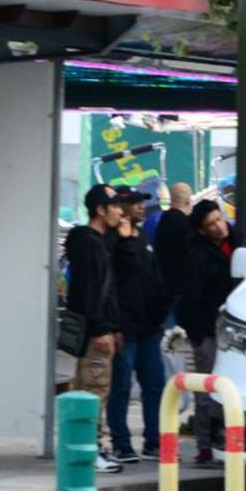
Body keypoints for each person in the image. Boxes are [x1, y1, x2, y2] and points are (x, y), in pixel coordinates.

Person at [107, 189, 171, 462]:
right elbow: (114, 282)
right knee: (120, 387)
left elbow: (153, 278)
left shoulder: (143, 237)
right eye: (135, 203)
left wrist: (160, 316)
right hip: (125, 327)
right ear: (121, 207)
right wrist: (114, 326)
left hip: (148, 328)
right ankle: (121, 443)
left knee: (155, 384)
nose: (142, 207)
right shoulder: (113, 242)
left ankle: (154, 441)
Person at [64, 184, 124, 474]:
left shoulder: (98, 242)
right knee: (93, 391)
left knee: (94, 389)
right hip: (95, 335)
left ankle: (92, 448)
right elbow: (90, 293)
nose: (119, 211)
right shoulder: (89, 244)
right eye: (114, 206)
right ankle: (91, 450)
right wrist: (102, 329)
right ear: (100, 210)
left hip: (102, 331)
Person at [180, 199, 237, 466]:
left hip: (230, 328)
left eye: (219, 219)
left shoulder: (235, 243)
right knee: (205, 387)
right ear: (202, 230)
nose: (219, 226)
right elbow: (192, 296)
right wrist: (198, 334)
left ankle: (220, 438)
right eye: (211, 224)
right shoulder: (197, 256)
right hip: (208, 330)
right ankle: (205, 444)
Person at [154, 182, 194, 326]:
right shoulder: (185, 224)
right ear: (188, 201)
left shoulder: (163, 221)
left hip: (164, 285)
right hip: (178, 288)